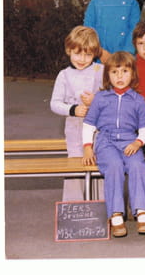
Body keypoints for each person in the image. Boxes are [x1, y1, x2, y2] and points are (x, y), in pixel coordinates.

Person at [82, 51, 145, 238]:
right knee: (114, 166)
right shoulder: (101, 98)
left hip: (130, 141)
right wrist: (87, 148)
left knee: (138, 166)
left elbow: (144, 130)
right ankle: (116, 215)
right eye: (114, 72)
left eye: (124, 71)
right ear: (107, 75)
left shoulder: (138, 100)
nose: (119, 77)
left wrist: (138, 143)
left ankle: (142, 212)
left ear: (133, 74)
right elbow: (89, 124)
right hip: (107, 141)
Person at [49, 25, 104, 201]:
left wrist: (96, 100)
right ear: (69, 50)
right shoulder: (64, 75)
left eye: (88, 55)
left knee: (99, 168)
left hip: (99, 132)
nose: (82, 59)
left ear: (95, 54)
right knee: (75, 168)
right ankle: (73, 209)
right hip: (75, 131)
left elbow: (111, 98)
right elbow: (54, 104)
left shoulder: (100, 71)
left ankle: (101, 208)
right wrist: (73, 110)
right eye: (77, 53)